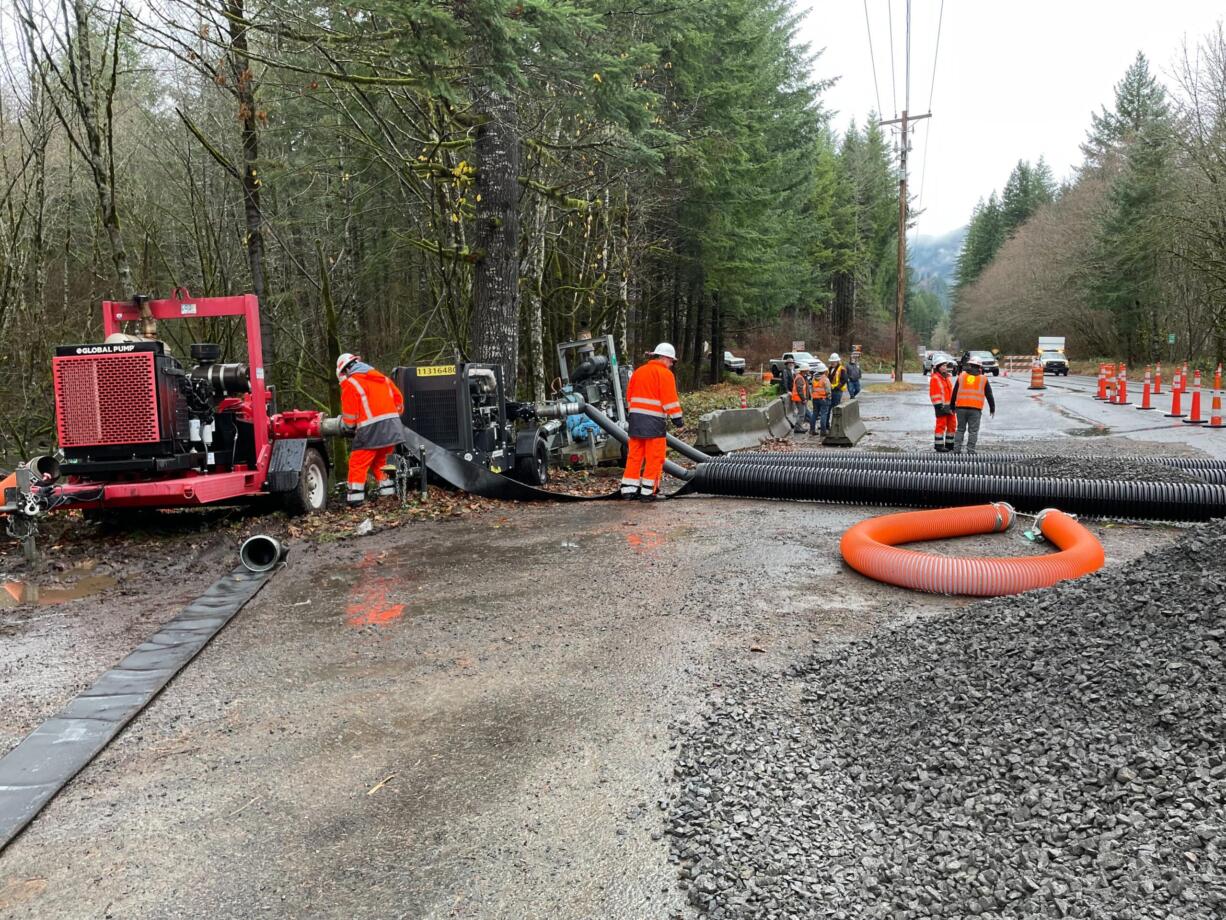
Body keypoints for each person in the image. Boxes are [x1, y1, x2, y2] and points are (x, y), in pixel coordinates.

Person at [337, 352, 405, 507]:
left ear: (345, 370)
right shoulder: (383, 378)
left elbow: (349, 416)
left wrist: (348, 427)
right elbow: (399, 401)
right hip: (393, 428)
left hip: (370, 431)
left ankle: (355, 500)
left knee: (357, 463)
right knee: (381, 462)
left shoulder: (350, 384)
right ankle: (388, 495)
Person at [621, 342, 683, 501]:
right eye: (671, 361)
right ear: (664, 358)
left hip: (635, 421)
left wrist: (634, 413)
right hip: (654, 423)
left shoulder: (639, 371)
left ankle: (628, 489)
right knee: (655, 457)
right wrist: (677, 418)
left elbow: (629, 397)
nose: (671, 364)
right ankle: (648, 491)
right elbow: (669, 399)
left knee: (634, 456)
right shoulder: (665, 374)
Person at [950, 357, 996, 454]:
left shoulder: (961, 376)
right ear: (980, 367)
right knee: (973, 431)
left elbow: (954, 392)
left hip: (961, 408)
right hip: (975, 409)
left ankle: (956, 449)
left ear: (970, 365)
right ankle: (970, 451)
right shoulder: (983, 379)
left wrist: (952, 406)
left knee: (960, 429)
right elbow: (989, 395)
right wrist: (992, 408)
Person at [928, 357, 957, 452]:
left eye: (946, 365)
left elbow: (951, 392)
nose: (945, 367)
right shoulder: (935, 378)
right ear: (938, 367)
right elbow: (934, 394)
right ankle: (939, 446)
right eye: (943, 365)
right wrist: (939, 406)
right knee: (941, 425)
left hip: (950, 406)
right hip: (941, 406)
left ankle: (949, 445)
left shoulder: (947, 377)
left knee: (952, 425)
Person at [810, 364, 832, 437]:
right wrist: (829, 397)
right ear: (824, 371)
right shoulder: (825, 379)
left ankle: (812, 430)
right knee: (823, 414)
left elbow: (812, 389)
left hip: (815, 399)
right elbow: (828, 390)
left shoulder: (813, 378)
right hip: (824, 399)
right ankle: (823, 431)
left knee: (815, 414)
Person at [790, 362, 812, 433]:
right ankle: (798, 427)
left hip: (799, 398)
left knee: (802, 413)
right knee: (801, 414)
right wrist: (804, 399)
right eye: (807, 370)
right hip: (799, 399)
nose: (808, 371)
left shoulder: (801, 377)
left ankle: (799, 427)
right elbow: (800, 390)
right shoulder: (800, 378)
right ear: (804, 370)